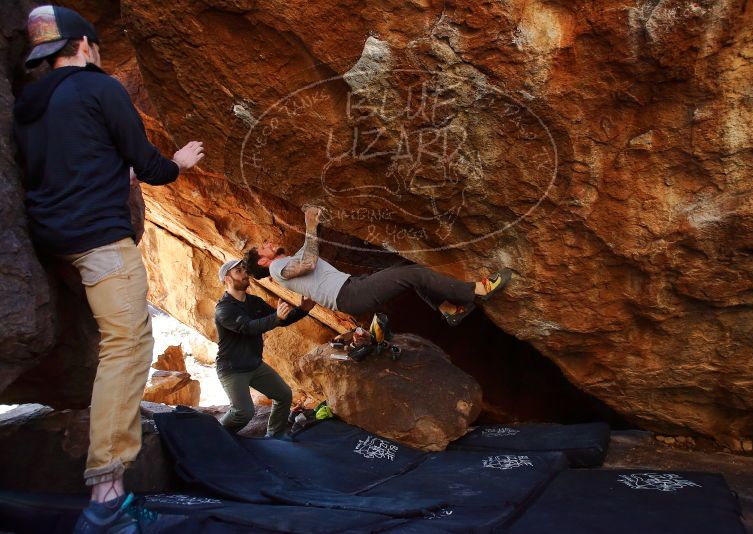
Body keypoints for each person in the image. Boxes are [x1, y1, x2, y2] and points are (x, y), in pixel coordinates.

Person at [12, 6, 204, 532]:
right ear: (85, 45)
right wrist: (181, 161)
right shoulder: (101, 89)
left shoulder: (29, 104)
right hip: (99, 241)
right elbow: (150, 165)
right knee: (128, 342)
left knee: (107, 335)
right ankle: (107, 494)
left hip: (53, 239)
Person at [244, 207, 512, 326]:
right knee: (412, 274)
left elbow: (310, 245)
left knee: (406, 268)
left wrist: (314, 219)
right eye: (263, 247)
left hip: (352, 289)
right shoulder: (277, 270)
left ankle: (448, 309)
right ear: (263, 261)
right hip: (349, 295)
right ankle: (477, 290)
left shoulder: (287, 263)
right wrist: (310, 223)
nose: (268, 243)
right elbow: (310, 257)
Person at [215, 259, 315, 437]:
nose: (245, 273)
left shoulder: (254, 301)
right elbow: (248, 327)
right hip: (232, 369)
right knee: (243, 412)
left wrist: (303, 309)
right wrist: (276, 318)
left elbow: (281, 319)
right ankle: (217, 435)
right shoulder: (224, 309)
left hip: (254, 365)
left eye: (244, 269)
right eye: (239, 271)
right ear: (227, 280)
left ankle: (274, 437)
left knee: (284, 395)